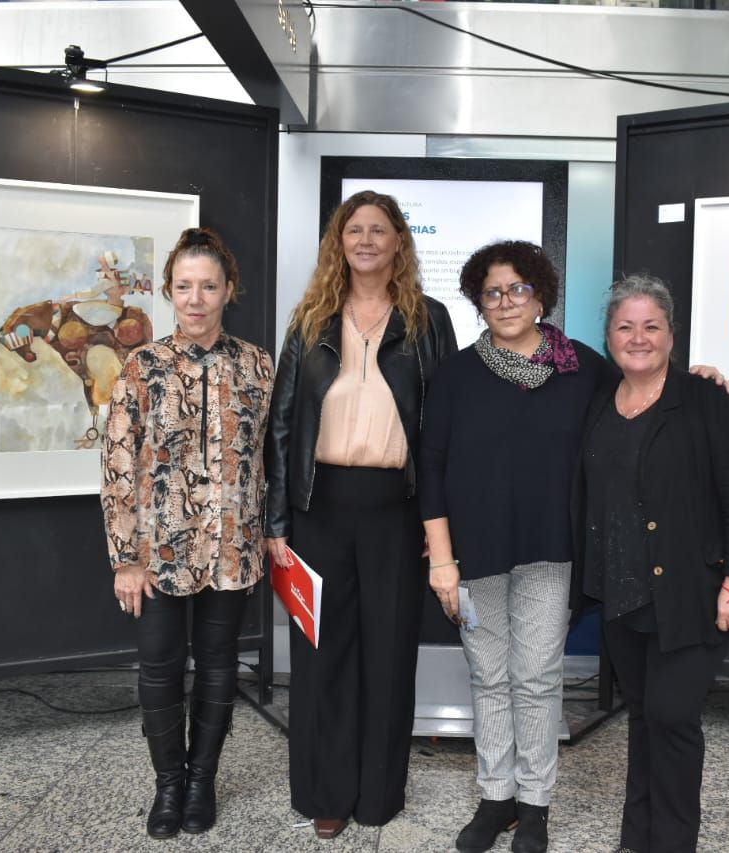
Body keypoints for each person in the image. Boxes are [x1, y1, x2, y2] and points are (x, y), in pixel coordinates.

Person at [264, 190, 457, 839]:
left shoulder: (427, 322)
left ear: (399, 241)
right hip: (318, 512)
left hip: (395, 515)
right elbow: (282, 425)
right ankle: (327, 792)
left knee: (389, 654)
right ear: (338, 243)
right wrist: (275, 523)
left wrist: (441, 524)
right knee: (322, 658)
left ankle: (379, 793)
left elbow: (444, 432)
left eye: (380, 229)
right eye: (356, 230)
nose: (367, 240)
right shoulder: (311, 319)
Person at [420, 241, 612, 853]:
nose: (505, 301)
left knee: (536, 679)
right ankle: (495, 795)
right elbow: (431, 467)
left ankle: (534, 805)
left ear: (541, 295)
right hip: (472, 560)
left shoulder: (582, 369)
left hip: (549, 555)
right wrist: (442, 560)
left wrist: (701, 375)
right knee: (489, 678)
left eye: (518, 289)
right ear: (479, 300)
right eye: (492, 291)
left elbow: (643, 396)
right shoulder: (456, 372)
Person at [572, 274, 729, 853]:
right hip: (620, 593)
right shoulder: (599, 401)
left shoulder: (708, 402)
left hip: (690, 593)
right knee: (642, 716)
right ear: (608, 335)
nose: (638, 337)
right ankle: (639, 838)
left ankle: (673, 842)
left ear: (671, 334)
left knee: (673, 718)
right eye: (625, 326)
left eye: (651, 326)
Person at [101, 227, 275, 839]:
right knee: (159, 666)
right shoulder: (141, 365)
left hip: (233, 548)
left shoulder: (257, 364)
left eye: (208, 286)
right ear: (170, 293)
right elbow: (118, 464)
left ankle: (203, 781)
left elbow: (268, 459)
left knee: (221, 663)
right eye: (183, 287)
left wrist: (269, 533)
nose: (195, 298)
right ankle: (168, 786)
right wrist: (126, 558)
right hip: (158, 553)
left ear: (229, 290)